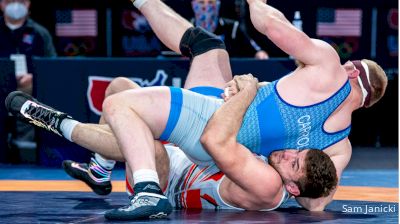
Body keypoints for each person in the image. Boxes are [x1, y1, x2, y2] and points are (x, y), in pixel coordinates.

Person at [5, 0, 338, 220]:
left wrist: (246, 92)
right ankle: (99, 171)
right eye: (298, 153)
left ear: (292, 187)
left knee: (142, 134)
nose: (288, 154)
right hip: (197, 154)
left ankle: (57, 123)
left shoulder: (269, 185)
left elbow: (216, 141)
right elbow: (315, 193)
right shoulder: (294, 174)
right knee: (121, 85)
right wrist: (318, 200)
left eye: (294, 163)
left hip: (173, 179)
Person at [0, 0, 56, 160]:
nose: (15, 5)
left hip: (28, 87)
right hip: (1, 85)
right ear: (2, 4)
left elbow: (52, 66)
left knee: (27, 96)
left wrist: (35, 77)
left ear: (29, 4)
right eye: (10, 1)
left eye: (21, 1)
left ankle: (25, 144)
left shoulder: (39, 33)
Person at [190, 0, 268, 59]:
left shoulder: (232, 27)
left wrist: (260, 54)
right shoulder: (187, 27)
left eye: (210, 2)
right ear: (193, 4)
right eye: (201, 2)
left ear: (217, 4)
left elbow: (256, 50)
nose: (206, 6)